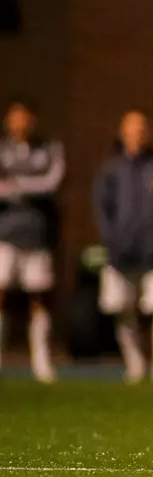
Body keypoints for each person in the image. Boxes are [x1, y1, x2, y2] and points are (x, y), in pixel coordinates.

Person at [94, 110, 153, 384]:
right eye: (131, 129)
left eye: (141, 129)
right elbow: (103, 211)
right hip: (120, 254)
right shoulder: (111, 170)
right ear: (122, 132)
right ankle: (135, 364)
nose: (136, 134)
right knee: (122, 308)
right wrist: (113, 243)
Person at [0, 98, 66, 382]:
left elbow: (52, 183)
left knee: (39, 298)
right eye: (15, 117)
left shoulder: (49, 149)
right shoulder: (2, 149)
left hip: (38, 236)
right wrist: (28, 186)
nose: (20, 122)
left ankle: (41, 363)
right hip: (4, 235)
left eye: (25, 117)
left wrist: (15, 185)